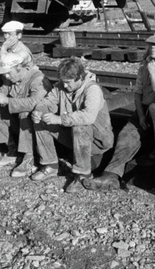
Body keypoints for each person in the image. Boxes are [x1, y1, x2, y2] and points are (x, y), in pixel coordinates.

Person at [83, 32, 155, 191]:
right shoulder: (144, 66)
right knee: (126, 136)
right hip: (145, 111)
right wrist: (141, 116)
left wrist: (153, 72)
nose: (153, 48)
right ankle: (111, 176)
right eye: (151, 44)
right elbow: (137, 93)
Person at [31, 57, 114, 193]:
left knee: (80, 126)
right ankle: (51, 165)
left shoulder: (92, 89)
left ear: (79, 78)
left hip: (97, 141)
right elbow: (47, 101)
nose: (64, 86)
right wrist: (39, 111)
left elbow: (88, 116)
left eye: (68, 83)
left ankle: (83, 175)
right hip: (74, 137)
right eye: (63, 82)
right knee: (41, 120)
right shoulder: (61, 87)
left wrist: (59, 119)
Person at [0, 52, 52, 177]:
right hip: (23, 125)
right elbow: (2, 91)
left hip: (42, 125)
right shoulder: (11, 78)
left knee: (25, 112)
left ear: (19, 68)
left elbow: (34, 103)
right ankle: (12, 150)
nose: (6, 76)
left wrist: (6, 100)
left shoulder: (37, 79)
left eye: (8, 72)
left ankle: (30, 158)